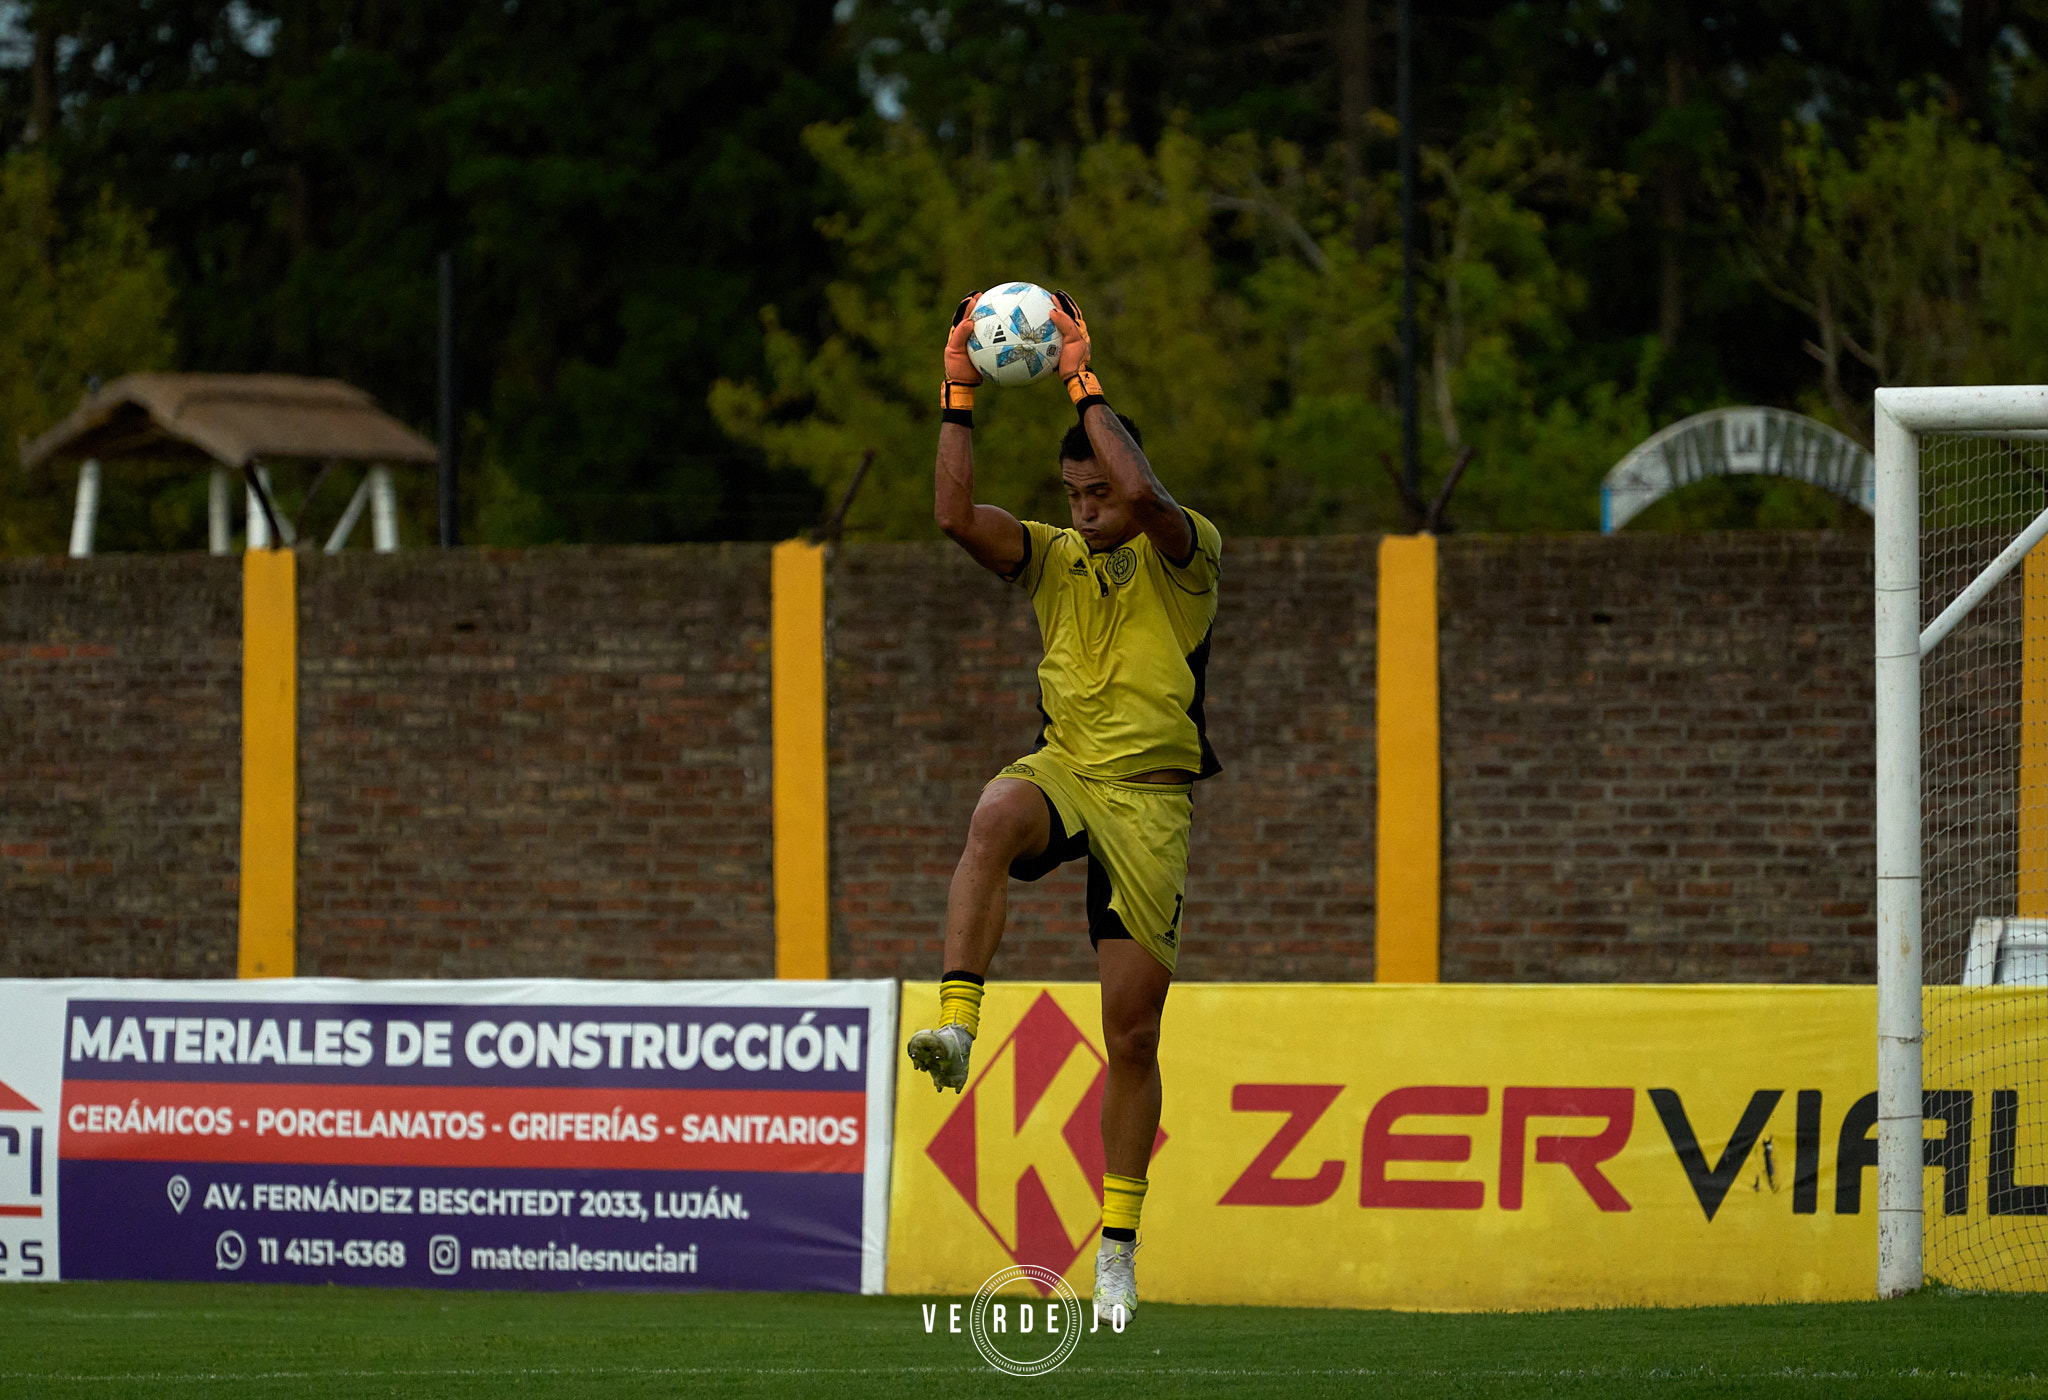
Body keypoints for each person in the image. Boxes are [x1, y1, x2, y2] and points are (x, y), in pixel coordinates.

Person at [905, 288, 1222, 1326]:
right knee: (996, 807)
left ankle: (1117, 1249)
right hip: (1068, 770)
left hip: (1150, 807)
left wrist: (1085, 379)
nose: (1086, 503)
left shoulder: (1184, 553)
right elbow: (952, 515)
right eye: (1072, 490)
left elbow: (1145, 489)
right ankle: (956, 1021)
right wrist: (957, 393)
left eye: (1098, 489)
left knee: (1129, 1036)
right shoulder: (1047, 556)